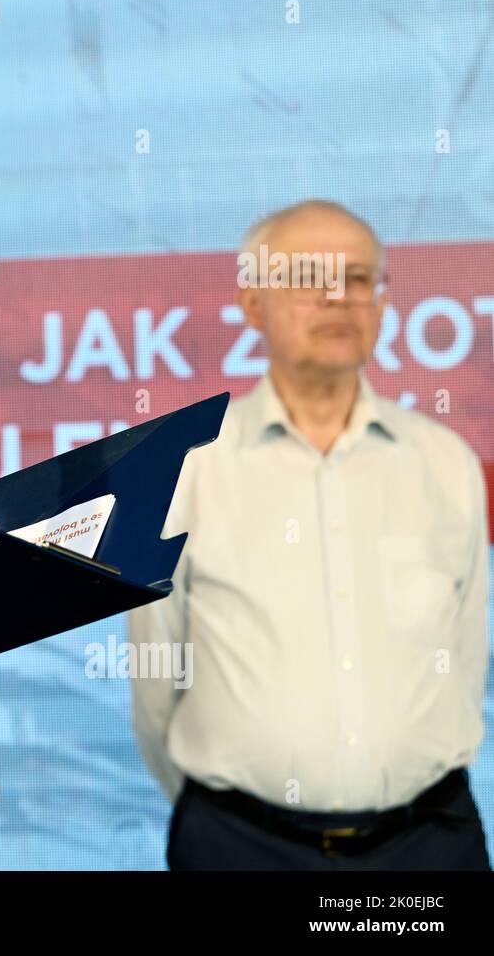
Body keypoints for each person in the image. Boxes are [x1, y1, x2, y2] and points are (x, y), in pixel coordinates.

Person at [128, 199, 490, 870]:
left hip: (428, 845)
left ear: (383, 305)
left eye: (359, 278)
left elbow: (464, 659)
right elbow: (157, 680)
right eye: (308, 276)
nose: (339, 297)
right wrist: (225, 810)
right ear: (253, 303)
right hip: (240, 845)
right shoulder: (185, 468)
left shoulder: (445, 463)